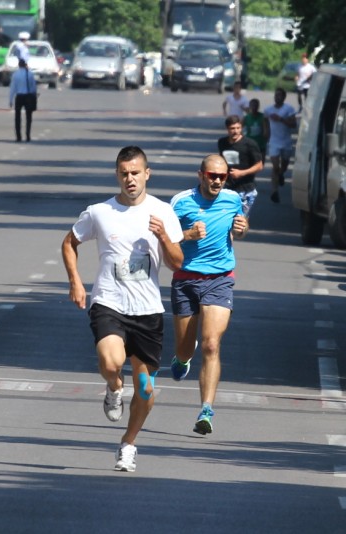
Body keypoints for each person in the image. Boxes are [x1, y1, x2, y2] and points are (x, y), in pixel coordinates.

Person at [61, 146, 184, 473]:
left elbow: (177, 263)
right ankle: (114, 387)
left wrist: (163, 236)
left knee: (145, 388)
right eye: (124, 173)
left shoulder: (162, 212)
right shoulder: (100, 212)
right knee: (110, 361)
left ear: (147, 174)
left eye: (135, 173)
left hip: (148, 310)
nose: (130, 179)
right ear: (117, 175)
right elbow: (69, 242)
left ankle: (128, 443)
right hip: (109, 303)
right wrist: (75, 281)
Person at [169, 154, 249, 435]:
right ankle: (181, 359)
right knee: (184, 348)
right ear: (200, 175)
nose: (217, 181)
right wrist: (187, 235)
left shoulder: (233, 199)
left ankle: (206, 410)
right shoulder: (181, 202)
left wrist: (243, 229)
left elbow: (240, 227)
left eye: (222, 176)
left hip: (220, 279)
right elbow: (164, 239)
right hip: (186, 280)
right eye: (212, 176)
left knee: (211, 344)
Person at [217, 115, 263, 218]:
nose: (236, 131)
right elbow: (222, 160)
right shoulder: (222, 143)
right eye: (232, 128)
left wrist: (241, 173)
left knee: (240, 220)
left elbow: (259, 165)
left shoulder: (249, 144)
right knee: (228, 218)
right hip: (228, 188)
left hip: (245, 189)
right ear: (227, 129)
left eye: (238, 128)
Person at [264, 88, 297, 203]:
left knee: (285, 165)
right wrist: (266, 132)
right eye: (276, 95)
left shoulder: (289, 109)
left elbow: (293, 125)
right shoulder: (268, 109)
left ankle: (281, 174)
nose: (277, 97)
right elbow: (265, 121)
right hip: (274, 141)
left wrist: (281, 119)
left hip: (286, 141)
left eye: (279, 95)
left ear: (284, 97)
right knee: (275, 167)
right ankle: (274, 191)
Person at [9, 60, 37, 142]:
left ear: (19, 65)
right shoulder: (30, 74)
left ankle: (18, 136)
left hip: (19, 96)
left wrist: (10, 99)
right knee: (29, 117)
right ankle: (28, 134)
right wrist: (34, 96)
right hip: (28, 96)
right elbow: (33, 87)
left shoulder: (15, 74)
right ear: (25, 65)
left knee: (17, 117)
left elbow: (12, 88)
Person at [242, 98, 267, 162]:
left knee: (261, 162)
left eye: (255, 106)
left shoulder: (262, 117)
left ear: (258, 107)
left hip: (260, 143)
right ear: (249, 106)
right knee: (250, 162)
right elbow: (239, 128)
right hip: (249, 143)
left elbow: (266, 130)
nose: (254, 107)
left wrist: (266, 138)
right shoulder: (246, 117)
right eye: (252, 106)